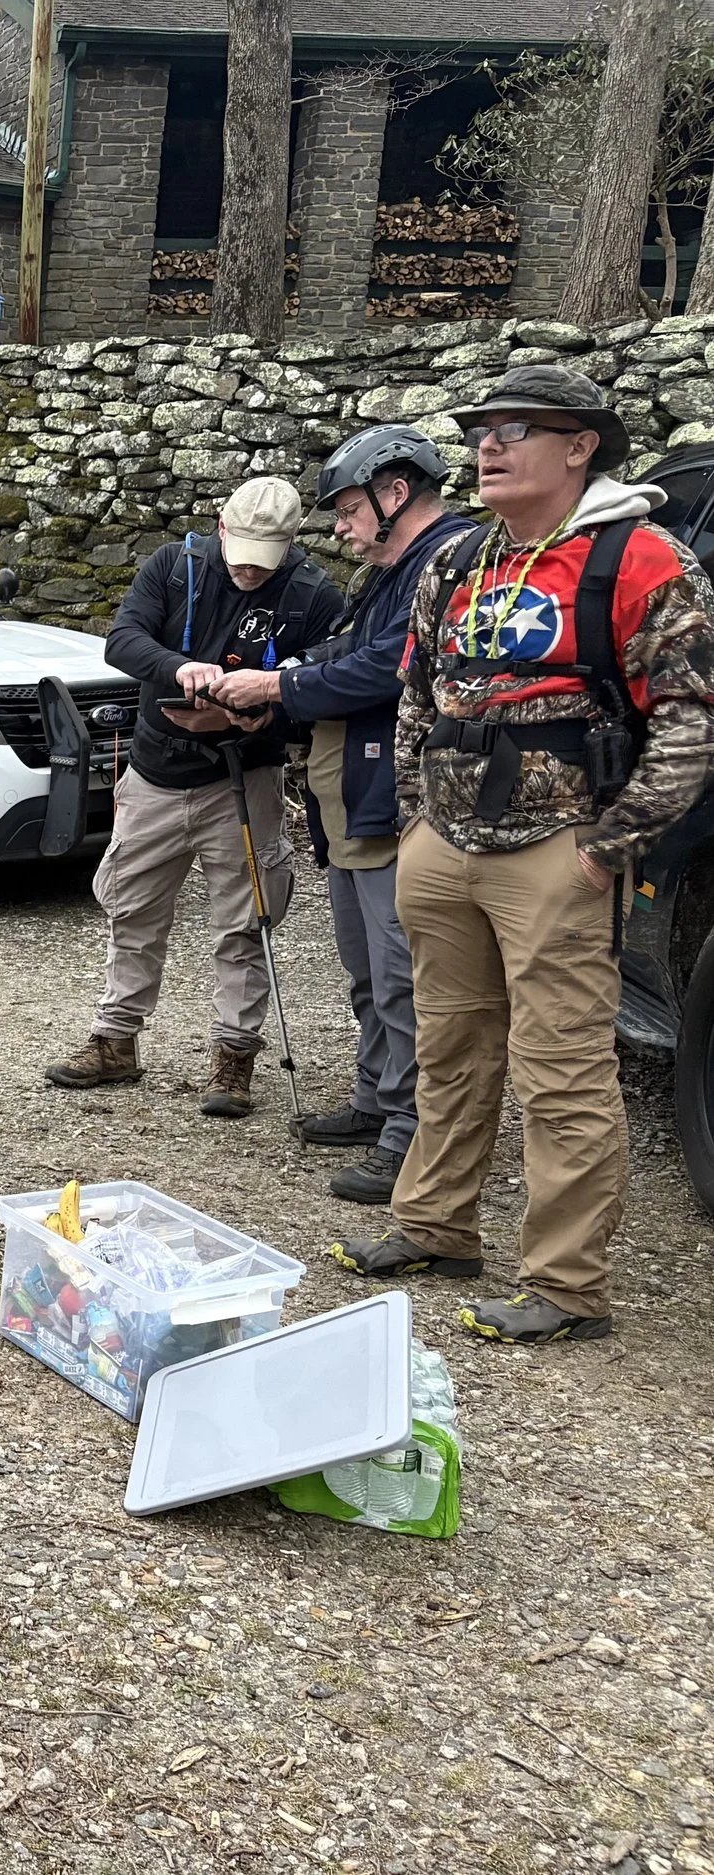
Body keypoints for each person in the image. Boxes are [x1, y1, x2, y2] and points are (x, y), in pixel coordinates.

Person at [334, 365, 714, 1345]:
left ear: (580, 444)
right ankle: (433, 1225)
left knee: (563, 1072)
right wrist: (417, 818)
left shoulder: (642, 559)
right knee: (451, 1048)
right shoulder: (460, 563)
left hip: (559, 852)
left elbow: (690, 719)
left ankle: (567, 1286)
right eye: (479, 429)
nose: (486, 445)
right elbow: (417, 693)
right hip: (445, 845)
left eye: (514, 428)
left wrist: (607, 848)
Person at [210, 428, 474, 1203]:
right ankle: (375, 1101)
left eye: (350, 509)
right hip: (356, 808)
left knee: (401, 979)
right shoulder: (389, 570)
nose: (339, 528)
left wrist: (275, 691)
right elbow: (345, 651)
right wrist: (286, 686)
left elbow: (388, 666)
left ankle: (408, 1136)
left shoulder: (446, 560)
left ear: (395, 495)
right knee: (368, 973)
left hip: (396, 811)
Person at [44, 476, 347, 1117]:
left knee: (247, 920)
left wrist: (263, 711)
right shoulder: (171, 564)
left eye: (263, 559)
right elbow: (123, 639)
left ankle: (234, 1056)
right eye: (239, 552)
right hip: (156, 769)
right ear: (220, 525)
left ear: (292, 544)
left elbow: (323, 686)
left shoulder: (316, 595)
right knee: (131, 908)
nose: (246, 569)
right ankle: (115, 1041)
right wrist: (178, 669)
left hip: (247, 775)